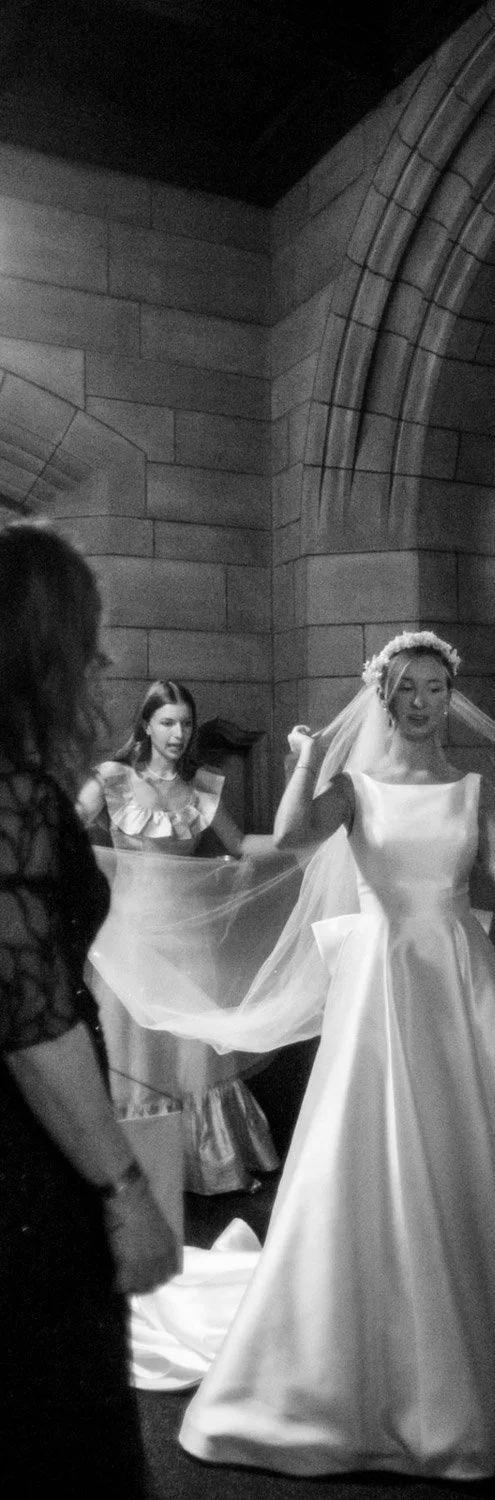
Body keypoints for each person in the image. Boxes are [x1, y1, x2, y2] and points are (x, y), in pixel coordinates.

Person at [177, 630, 495, 1482]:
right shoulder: (356, 789)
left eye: (437, 686)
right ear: (385, 695)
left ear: (450, 695)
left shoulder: (473, 788)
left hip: (460, 978)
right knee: (374, 1150)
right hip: (381, 982)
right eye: (409, 686)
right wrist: (302, 762)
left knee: (490, 1147)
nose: (425, 699)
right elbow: (289, 840)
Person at [0, 518, 179, 1494]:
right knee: (59, 1421)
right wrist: (126, 1191)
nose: (101, 659)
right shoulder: (11, 793)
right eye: (87, 636)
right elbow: (30, 1023)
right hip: (30, 1161)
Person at [77, 680, 281, 1194]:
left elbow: (242, 845)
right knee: (132, 1058)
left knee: (193, 1059)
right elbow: (66, 830)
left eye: (186, 723)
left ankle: (205, 1168)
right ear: (146, 724)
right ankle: (135, 1178)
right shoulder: (112, 779)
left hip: (190, 943)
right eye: (168, 721)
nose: (179, 733)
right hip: (128, 942)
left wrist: (306, 840)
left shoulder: (204, 786)